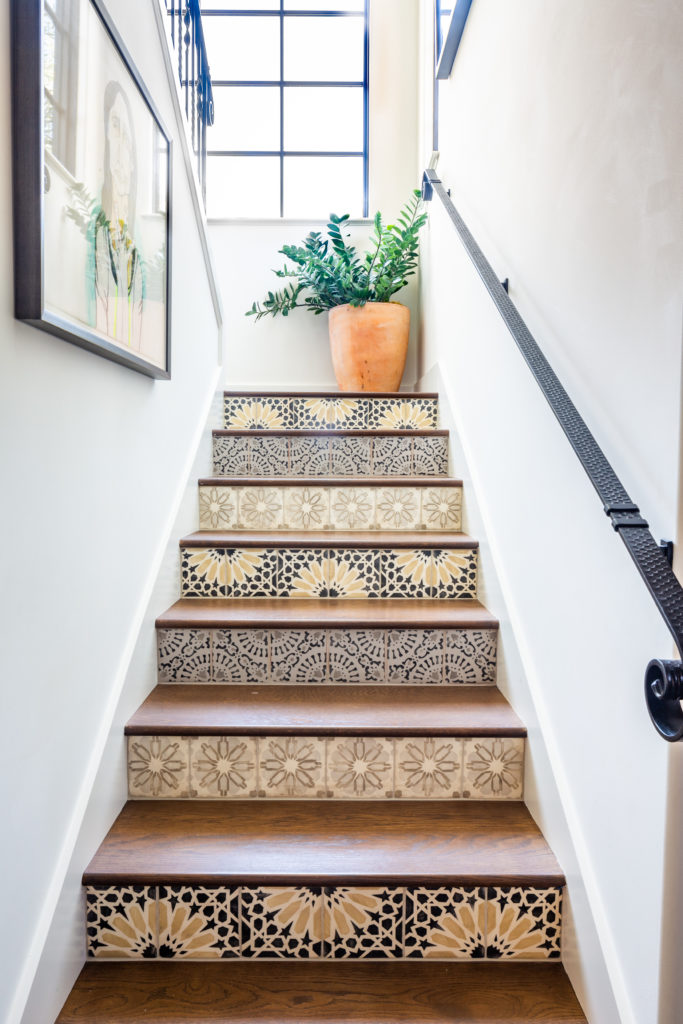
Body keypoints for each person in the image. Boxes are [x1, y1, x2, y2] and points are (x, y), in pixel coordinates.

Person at [90, 80, 144, 349]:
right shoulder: (97, 233)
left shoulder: (133, 253)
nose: (123, 155)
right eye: (114, 126)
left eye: (127, 139)